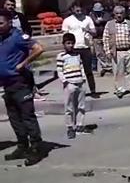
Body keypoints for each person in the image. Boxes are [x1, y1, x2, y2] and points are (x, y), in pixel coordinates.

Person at [0, 10, 45, 165]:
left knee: (27, 117)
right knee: (14, 118)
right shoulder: (1, 38)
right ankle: (22, 146)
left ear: (9, 22)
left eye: (1, 23)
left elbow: (39, 48)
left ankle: (36, 148)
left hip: (21, 83)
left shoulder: (18, 36)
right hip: (7, 85)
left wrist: (23, 63)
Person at [62, 4, 97, 96]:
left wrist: (88, 30)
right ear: (73, 10)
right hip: (74, 49)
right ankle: (76, 91)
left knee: (88, 71)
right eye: (77, 10)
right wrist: (66, 49)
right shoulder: (67, 20)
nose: (79, 12)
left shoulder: (88, 19)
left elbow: (94, 32)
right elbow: (65, 36)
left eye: (81, 10)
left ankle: (93, 91)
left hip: (85, 47)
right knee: (74, 71)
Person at [56, 33, 86, 139]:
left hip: (80, 82)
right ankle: (70, 127)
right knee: (69, 107)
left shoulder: (77, 55)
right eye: (68, 43)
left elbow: (81, 67)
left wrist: (83, 78)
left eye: (72, 43)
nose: (70, 45)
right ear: (64, 44)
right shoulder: (61, 56)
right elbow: (59, 71)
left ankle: (79, 125)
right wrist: (65, 82)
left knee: (80, 105)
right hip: (70, 84)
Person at [103, 5, 130, 98]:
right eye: (117, 13)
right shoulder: (109, 24)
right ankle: (119, 89)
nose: (119, 15)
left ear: (124, 14)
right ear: (114, 14)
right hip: (117, 51)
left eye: (121, 13)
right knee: (118, 71)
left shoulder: (129, 23)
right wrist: (107, 52)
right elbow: (105, 38)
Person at [89, 2, 111, 75]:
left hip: (105, 36)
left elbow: (108, 19)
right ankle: (105, 67)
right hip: (96, 37)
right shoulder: (91, 15)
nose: (97, 12)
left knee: (107, 52)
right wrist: (98, 21)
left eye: (99, 11)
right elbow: (94, 21)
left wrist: (102, 20)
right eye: (96, 11)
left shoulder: (106, 14)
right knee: (99, 53)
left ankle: (109, 65)